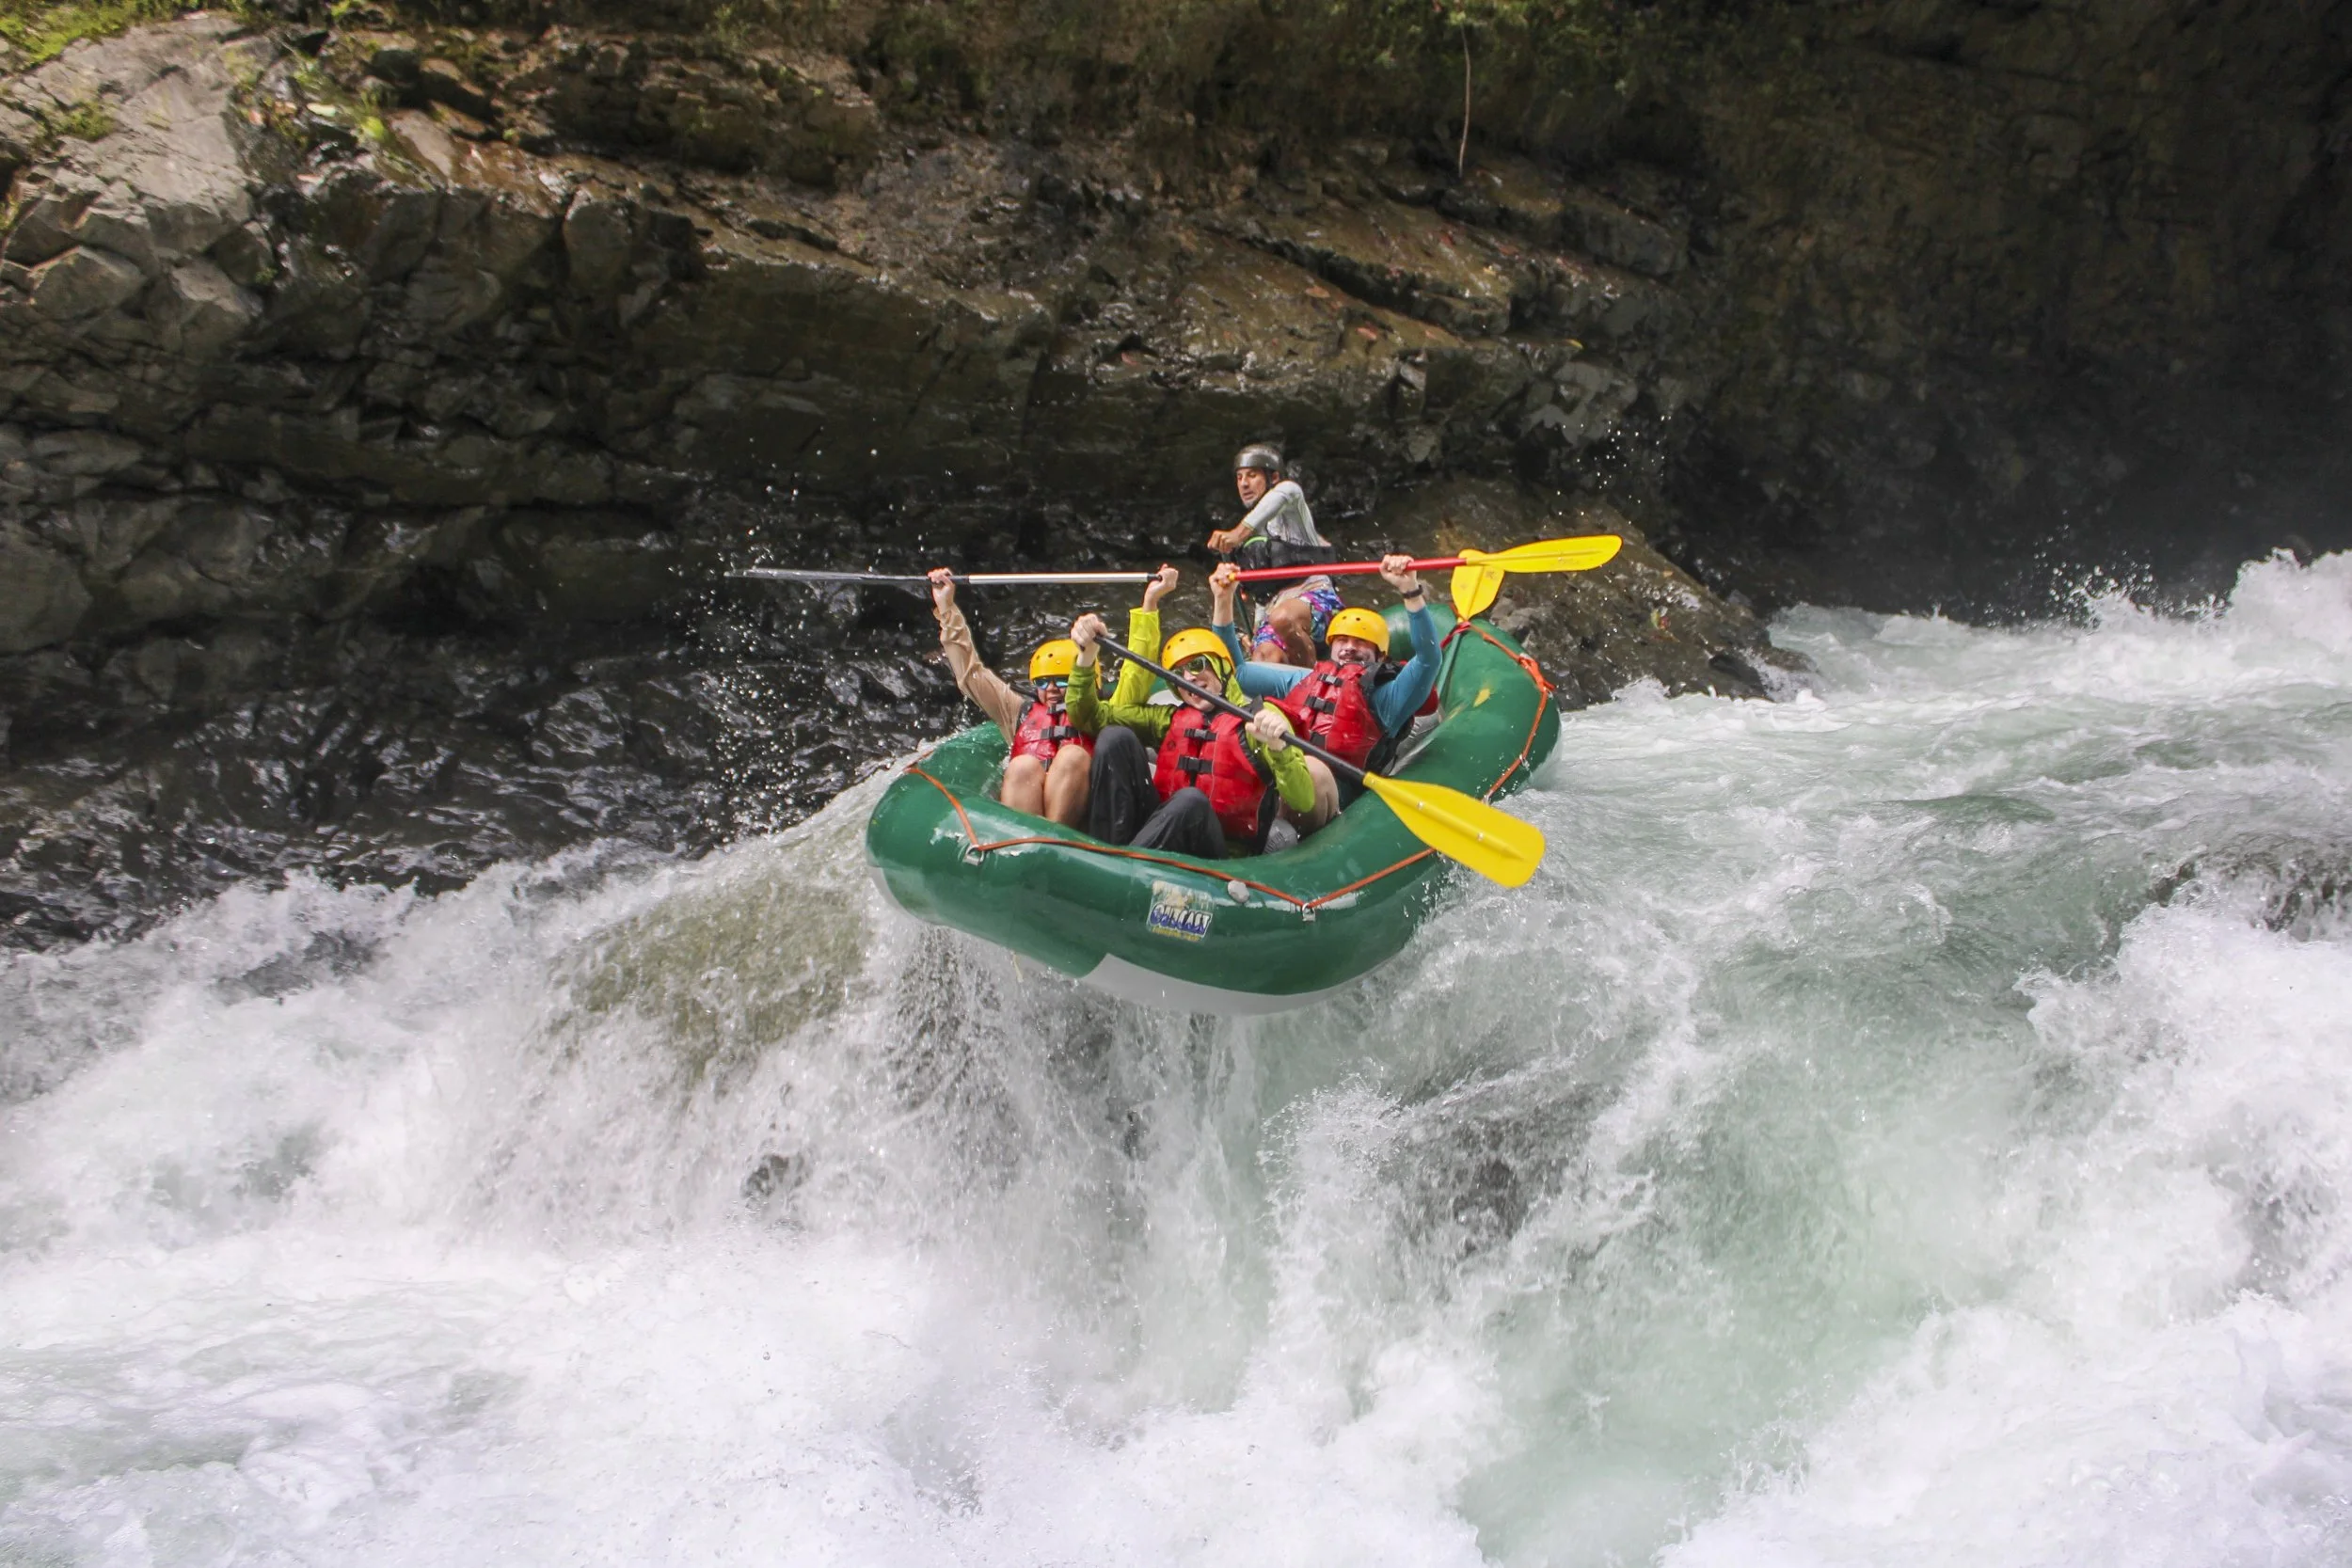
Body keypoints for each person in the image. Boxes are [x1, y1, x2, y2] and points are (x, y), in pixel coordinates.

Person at [928, 563, 1178, 827]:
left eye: (1062, 680)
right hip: (1027, 816)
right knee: (1023, 765)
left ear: (1089, 680)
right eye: (1043, 682)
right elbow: (971, 675)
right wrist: (946, 610)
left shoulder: (1103, 710)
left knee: (1072, 755)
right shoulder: (1017, 712)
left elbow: (1137, 671)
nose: (1052, 689)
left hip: (1081, 819)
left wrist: (1150, 602)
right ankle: (1020, 842)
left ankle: (1053, 842)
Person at [1064, 597, 1314, 859]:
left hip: (1222, 854)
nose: (1189, 678)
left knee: (1191, 801)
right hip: (1163, 832)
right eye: (1179, 673)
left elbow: (1303, 801)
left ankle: (1121, 868)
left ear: (1222, 666)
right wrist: (1087, 656)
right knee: (1115, 738)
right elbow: (1089, 716)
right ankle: (1105, 857)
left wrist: (1278, 747)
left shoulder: (1261, 720)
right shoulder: (1169, 719)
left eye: (1197, 665)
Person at [1206, 554, 1441, 832]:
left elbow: (1428, 660)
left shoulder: (1387, 696)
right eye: (1342, 639)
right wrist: (1223, 600)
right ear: (1330, 646)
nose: (1349, 647)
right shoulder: (1303, 678)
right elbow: (1238, 673)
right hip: (1281, 775)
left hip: (1334, 794)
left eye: (1361, 642)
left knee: (1312, 769)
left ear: (1380, 655)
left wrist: (1410, 591)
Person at [1205, 444, 1337, 667]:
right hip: (1274, 609)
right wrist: (1258, 635)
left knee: (1283, 618)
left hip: (1315, 599)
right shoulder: (1250, 543)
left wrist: (1238, 533)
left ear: (1273, 477)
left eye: (1252, 475)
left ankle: (1313, 685)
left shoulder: (1291, 503)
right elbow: (1262, 595)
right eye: (1239, 477)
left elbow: (1288, 492)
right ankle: (1289, 697)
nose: (1244, 484)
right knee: (1263, 655)